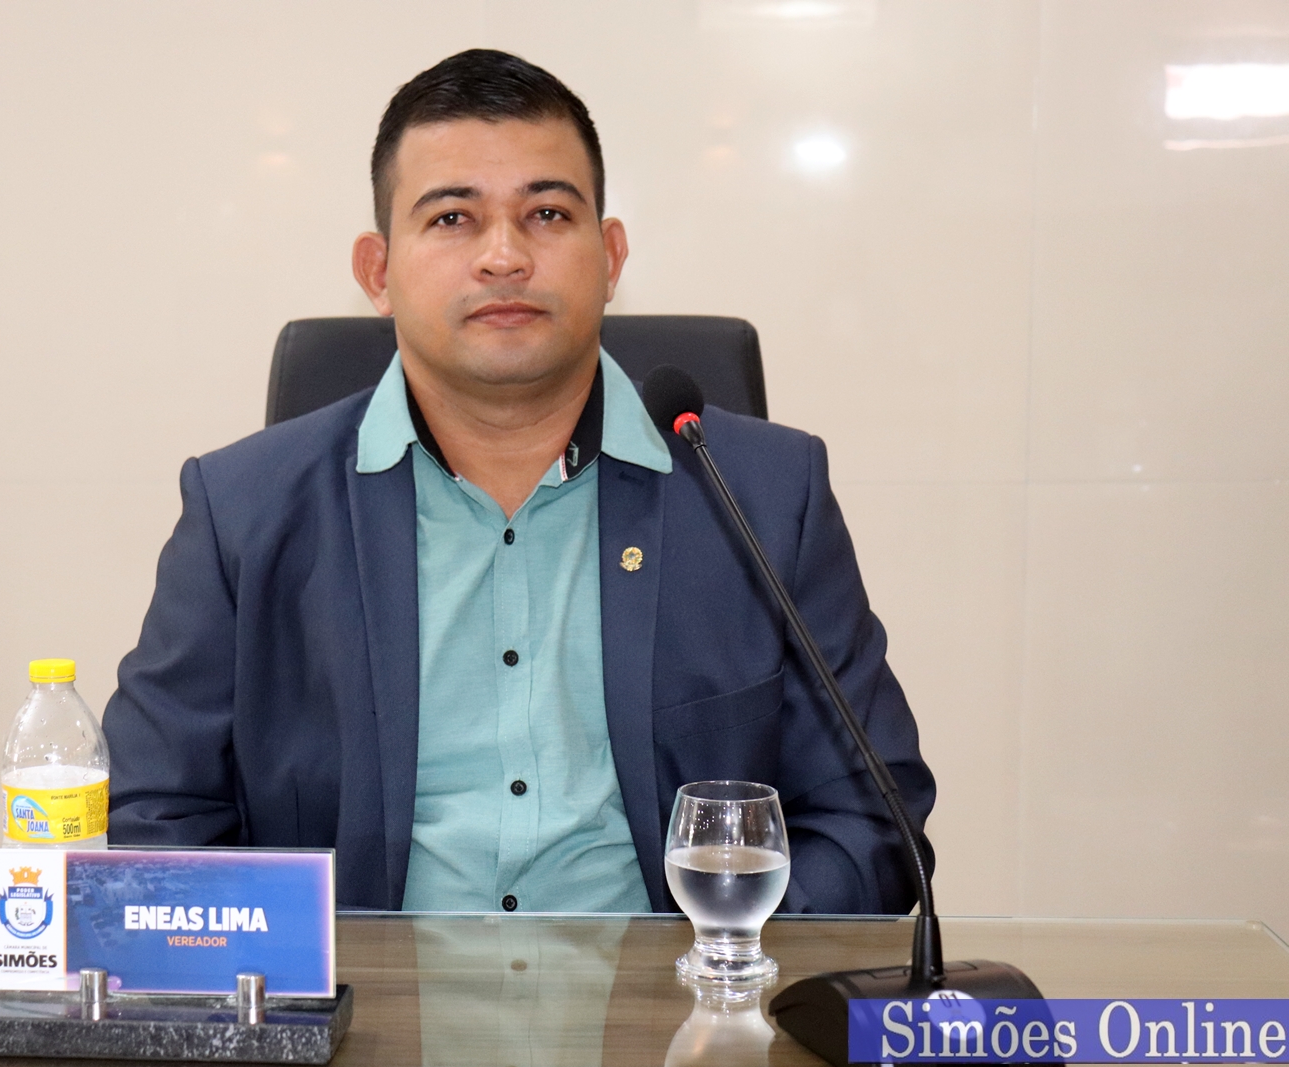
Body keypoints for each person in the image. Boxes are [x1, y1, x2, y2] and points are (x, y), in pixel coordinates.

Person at [103, 48, 935, 915]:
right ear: (378, 272)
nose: (503, 256)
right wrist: (291, 975)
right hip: (359, 997)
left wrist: (727, 963)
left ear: (610, 257)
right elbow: (155, 815)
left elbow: (872, 814)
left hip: (680, 998)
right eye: (453, 218)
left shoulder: (763, 495)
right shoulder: (241, 512)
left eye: (546, 213)